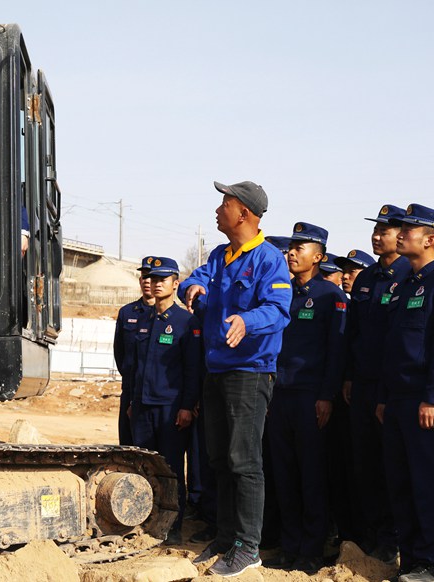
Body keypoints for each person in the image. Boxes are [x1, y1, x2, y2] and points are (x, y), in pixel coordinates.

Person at [179, 180, 292, 577]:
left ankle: (248, 546)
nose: (216, 210)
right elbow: (195, 280)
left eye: (223, 203)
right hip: (217, 370)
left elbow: (279, 311)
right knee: (219, 460)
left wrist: (247, 319)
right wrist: (191, 286)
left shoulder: (268, 259)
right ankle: (226, 536)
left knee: (244, 461)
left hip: (250, 372)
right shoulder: (221, 255)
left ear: (243, 212)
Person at [376, 204, 434, 582]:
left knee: (429, 482)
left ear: (430, 240)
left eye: (409, 229)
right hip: (398, 400)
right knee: (400, 482)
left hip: (426, 402)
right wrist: (384, 396)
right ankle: (412, 558)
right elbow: (394, 346)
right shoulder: (407, 284)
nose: (400, 233)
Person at [264, 222, 346, 574]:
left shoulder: (332, 297)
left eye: (302, 246)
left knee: (311, 473)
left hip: (312, 397)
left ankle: (312, 549)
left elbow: (336, 351)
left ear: (320, 256)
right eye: (292, 246)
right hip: (278, 394)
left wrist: (327, 395)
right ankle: (290, 543)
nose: (293, 252)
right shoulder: (281, 293)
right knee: (283, 473)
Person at [343, 204, 411, 562]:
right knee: (363, 462)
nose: (377, 236)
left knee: (391, 465)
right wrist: (350, 376)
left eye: (385, 230)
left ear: (401, 236)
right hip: (363, 385)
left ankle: (392, 538)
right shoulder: (367, 278)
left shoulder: (408, 277)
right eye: (376, 229)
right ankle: (369, 535)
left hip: (392, 388)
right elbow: (354, 334)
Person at [129, 257, 203, 546]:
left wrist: (187, 405)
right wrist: (134, 401)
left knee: (170, 470)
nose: (156, 283)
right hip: (143, 407)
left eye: (163, 279)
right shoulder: (142, 318)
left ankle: (172, 527)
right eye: (153, 278)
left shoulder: (186, 322)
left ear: (175, 284)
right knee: (143, 469)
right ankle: (145, 523)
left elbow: (192, 369)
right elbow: (135, 367)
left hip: (171, 409)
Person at [113, 256, 156, 446]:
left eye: (152, 278)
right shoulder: (127, 313)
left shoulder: (173, 317)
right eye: (144, 277)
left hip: (158, 392)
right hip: (130, 388)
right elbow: (119, 351)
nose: (147, 282)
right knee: (128, 443)